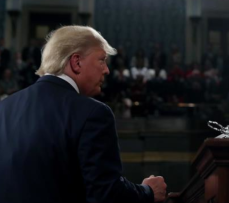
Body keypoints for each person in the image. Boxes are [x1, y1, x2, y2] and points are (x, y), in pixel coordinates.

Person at [0, 26, 167, 203]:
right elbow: (106, 195)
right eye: (101, 60)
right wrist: (148, 192)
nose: (107, 70)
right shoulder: (93, 113)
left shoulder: (4, 107)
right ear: (76, 62)